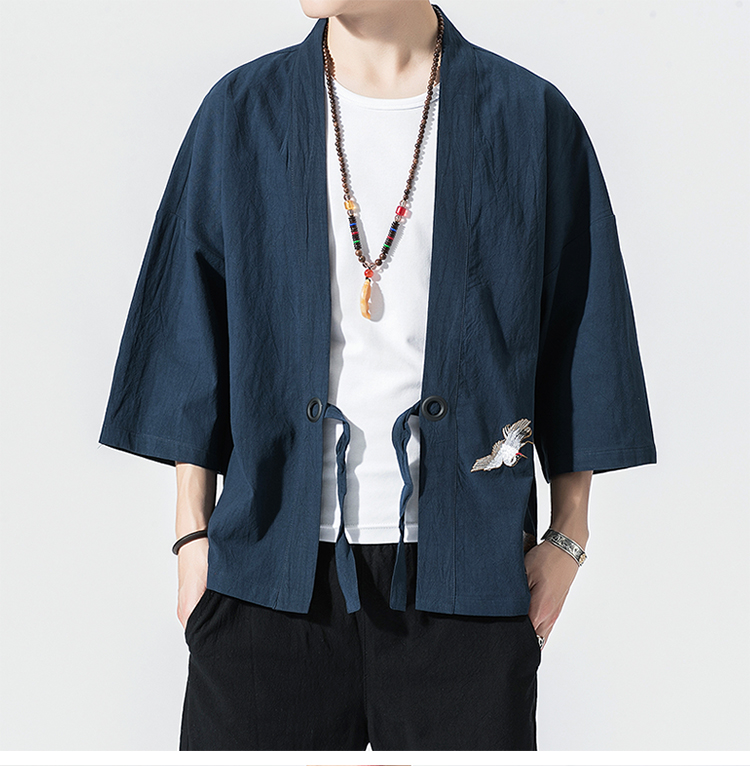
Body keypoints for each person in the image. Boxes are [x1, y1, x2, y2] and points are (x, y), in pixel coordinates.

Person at [99, 0, 656, 751]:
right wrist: (191, 537)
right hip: (266, 574)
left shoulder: (529, 117)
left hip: (464, 584)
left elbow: (582, 329)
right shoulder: (242, 111)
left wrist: (568, 536)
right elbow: (187, 328)